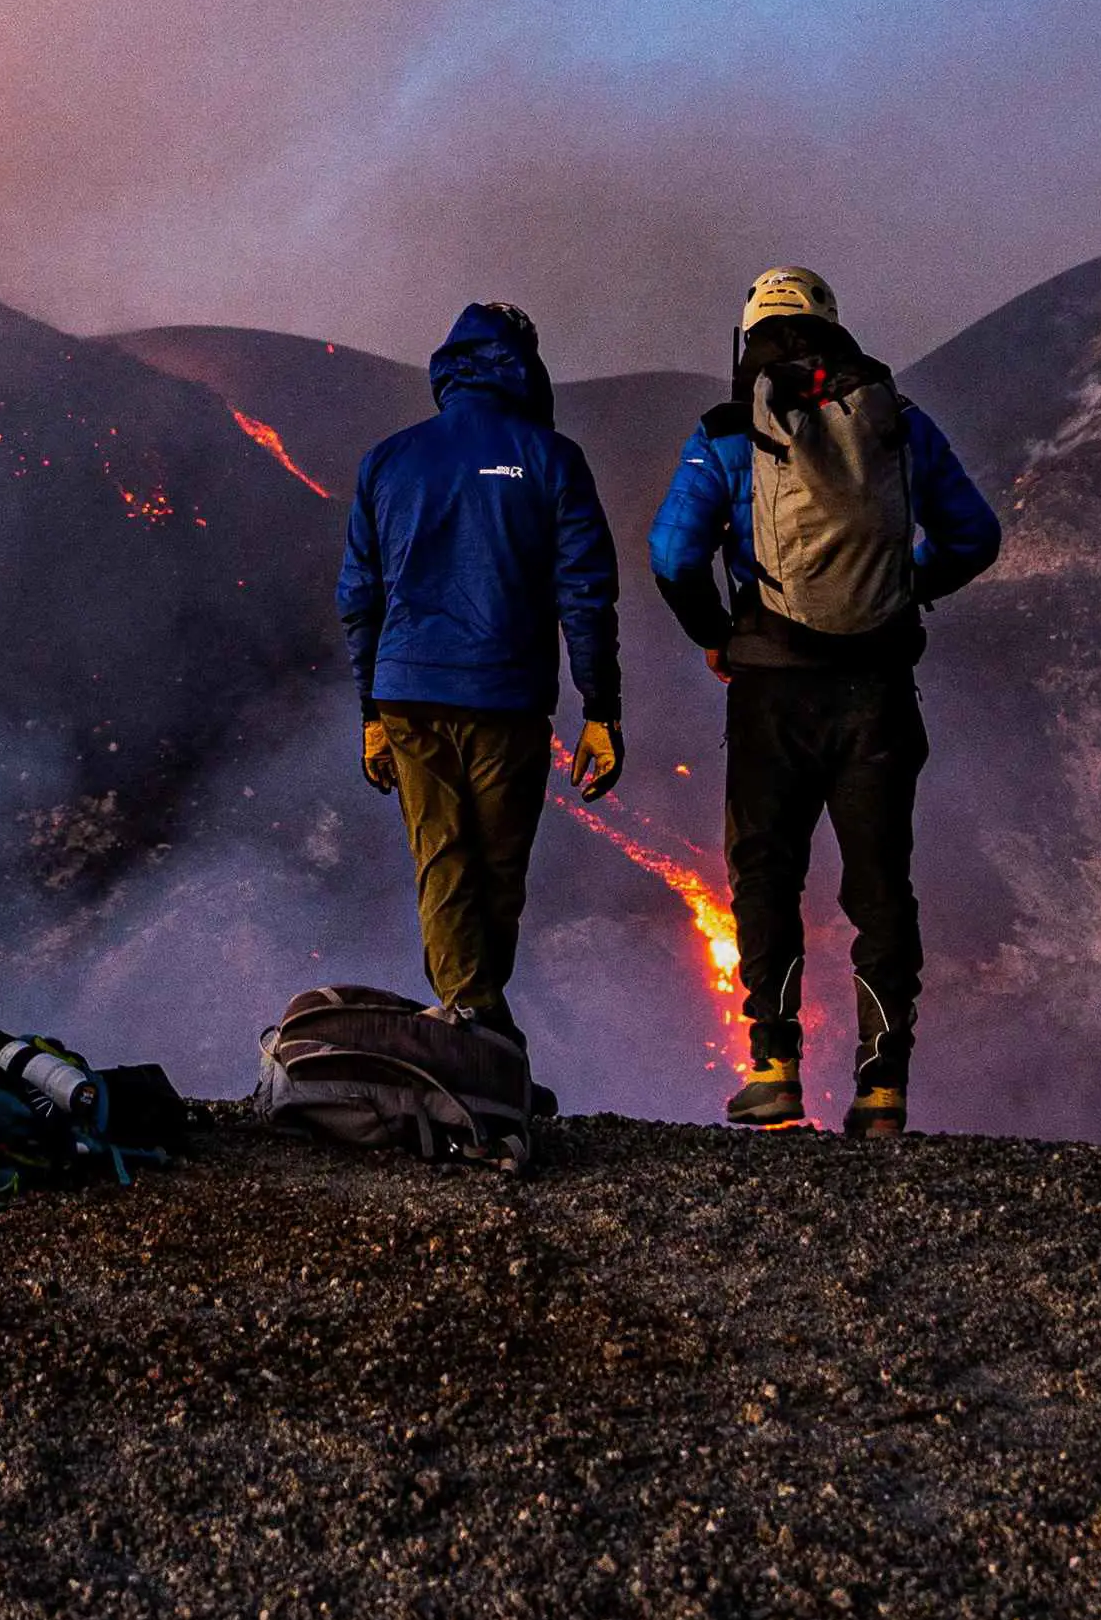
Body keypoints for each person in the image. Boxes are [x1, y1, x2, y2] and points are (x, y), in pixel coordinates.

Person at [649, 267, 1004, 1140]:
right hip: (878, 689)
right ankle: (882, 1088)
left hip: (771, 687)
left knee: (767, 873)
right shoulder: (898, 423)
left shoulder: (728, 433)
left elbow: (671, 555)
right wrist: (907, 586)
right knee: (881, 885)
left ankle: (772, 1069)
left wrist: (718, 636)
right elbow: (977, 535)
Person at [338, 302, 625, 1050]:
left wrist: (370, 711)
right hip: (504, 698)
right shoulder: (551, 458)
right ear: (525, 366)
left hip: (407, 695)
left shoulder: (388, 459)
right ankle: (479, 1027)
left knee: (442, 858)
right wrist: (601, 708)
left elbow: (357, 596)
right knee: (497, 869)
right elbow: (586, 590)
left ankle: (470, 1024)